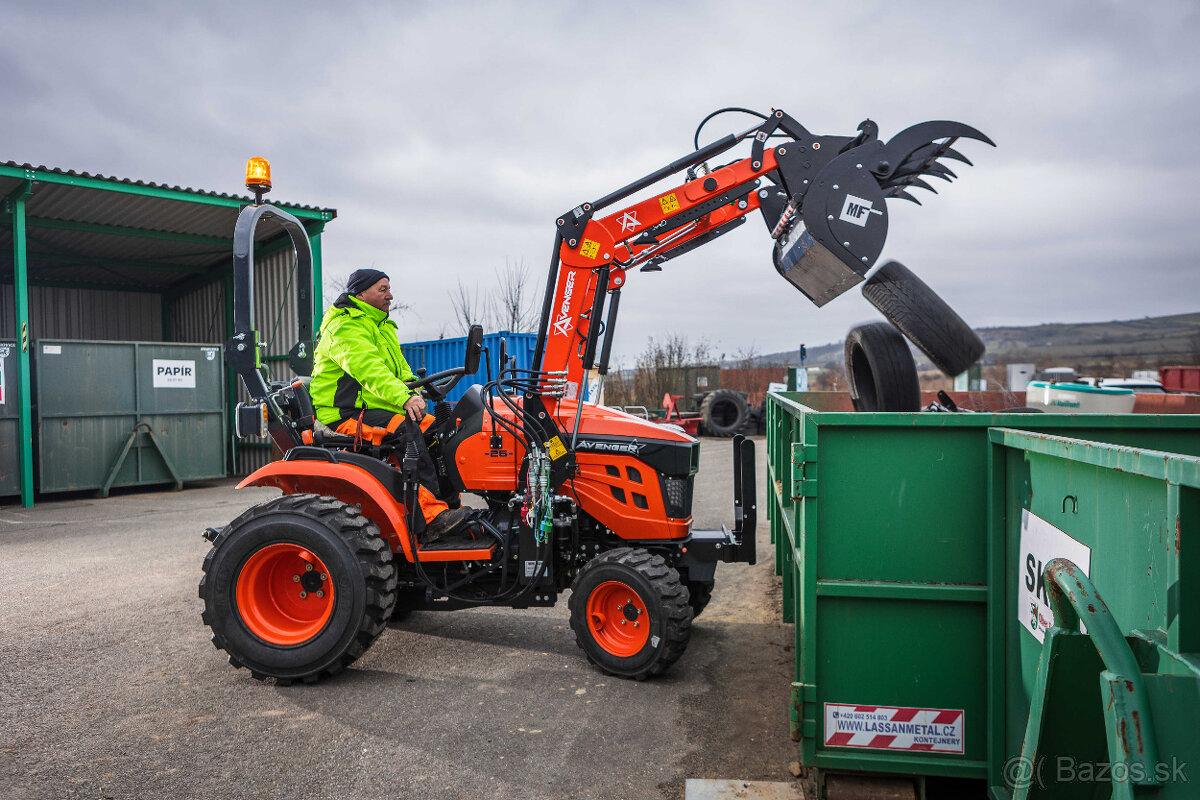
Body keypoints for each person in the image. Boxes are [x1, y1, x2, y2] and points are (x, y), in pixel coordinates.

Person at [309, 268, 470, 542]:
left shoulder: (381, 326)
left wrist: (418, 387)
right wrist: (404, 398)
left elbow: (400, 370)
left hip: (373, 407)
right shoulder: (345, 327)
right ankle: (430, 520)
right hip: (345, 414)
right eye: (382, 289)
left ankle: (448, 507)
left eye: (389, 289)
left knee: (439, 430)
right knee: (408, 431)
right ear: (360, 293)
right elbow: (370, 370)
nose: (390, 295)